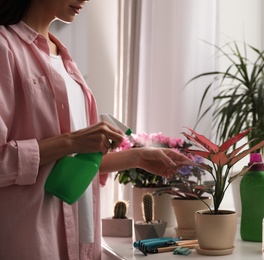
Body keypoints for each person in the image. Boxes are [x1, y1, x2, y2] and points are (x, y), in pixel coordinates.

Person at [0, 0, 194, 259]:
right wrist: (71, 141)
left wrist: (136, 158)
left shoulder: (66, 60)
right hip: (32, 242)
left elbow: (74, 163)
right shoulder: (5, 48)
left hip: (82, 244)